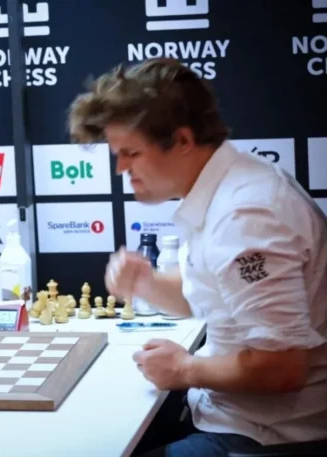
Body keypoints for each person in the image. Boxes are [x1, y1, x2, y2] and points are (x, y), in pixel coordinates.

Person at [67, 58, 327, 456]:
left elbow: (283, 368)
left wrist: (184, 369)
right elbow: (205, 295)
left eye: (131, 153)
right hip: (233, 422)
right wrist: (146, 283)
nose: (120, 169)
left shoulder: (245, 215)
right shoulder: (225, 187)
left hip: (266, 439)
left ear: (183, 140)